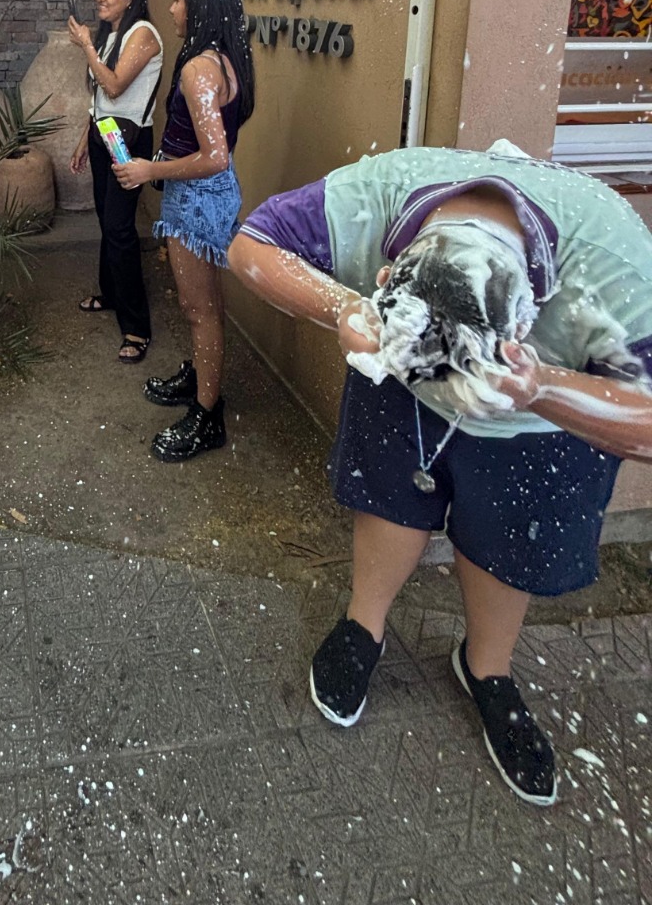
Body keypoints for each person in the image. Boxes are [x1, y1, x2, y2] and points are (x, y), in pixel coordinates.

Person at [227, 141, 652, 806]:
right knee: (392, 503)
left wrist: (541, 388)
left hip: (539, 416)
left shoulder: (615, 260)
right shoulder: (380, 193)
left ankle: (487, 669)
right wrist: (344, 309)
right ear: (387, 271)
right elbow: (251, 246)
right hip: (398, 385)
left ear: (529, 318)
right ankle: (363, 626)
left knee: (506, 543)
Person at [112, 0, 254, 461]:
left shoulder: (199, 70)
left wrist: (149, 171)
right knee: (205, 304)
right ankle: (200, 376)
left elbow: (214, 156)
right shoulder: (225, 60)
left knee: (200, 310)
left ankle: (206, 414)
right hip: (207, 197)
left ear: (199, 7)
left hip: (196, 201)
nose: (172, 8)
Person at [67, 0, 163, 363]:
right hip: (103, 134)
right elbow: (100, 99)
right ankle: (111, 293)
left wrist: (86, 46)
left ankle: (137, 326)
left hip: (128, 140)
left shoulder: (144, 34)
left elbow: (115, 85)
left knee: (121, 228)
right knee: (108, 220)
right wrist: (83, 138)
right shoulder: (111, 34)